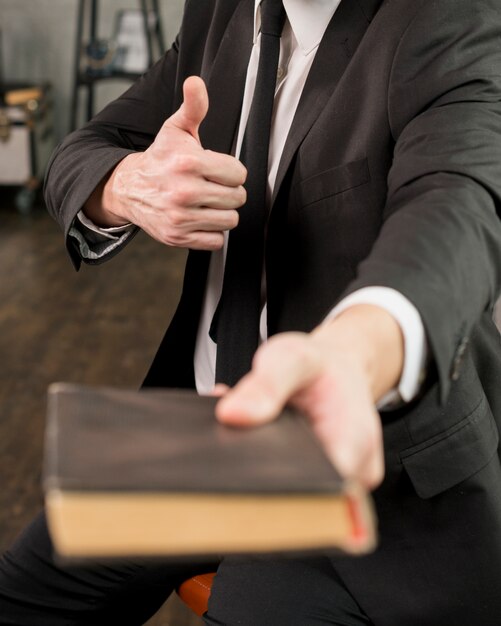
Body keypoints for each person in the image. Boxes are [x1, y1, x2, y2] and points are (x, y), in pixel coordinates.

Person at [2, 0, 501, 624]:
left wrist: (350, 356)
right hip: (201, 439)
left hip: (362, 486)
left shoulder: (446, 19)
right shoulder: (221, 10)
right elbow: (83, 148)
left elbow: (458, 208)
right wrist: (127, 184)